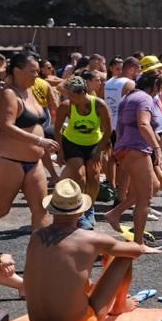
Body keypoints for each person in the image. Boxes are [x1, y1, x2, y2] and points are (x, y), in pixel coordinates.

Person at [25, 179, 159, 321]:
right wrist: (108, 249)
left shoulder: (36, 236)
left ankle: (112, 301)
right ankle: (120, 304)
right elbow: (136, 250)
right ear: (81, 212)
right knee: (125, 254)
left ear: (52, 210)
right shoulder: (91, 239)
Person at [0, 52, 59, 243]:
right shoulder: (8, 93)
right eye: (32, 71)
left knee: (41, 209)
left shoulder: (29, 92)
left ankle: (39, 257)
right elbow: (6, 125)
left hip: (34, 162)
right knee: (0, 209)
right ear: (18, 70)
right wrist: (39, 141)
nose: (37, 75)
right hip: (9, 161)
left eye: (37, 71)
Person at [105, 67, 162, 244]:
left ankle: (114, 214)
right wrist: (157, 149)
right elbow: (143, 124)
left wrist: (118, 150)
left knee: (154, 186)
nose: (161, 92)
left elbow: (120, 126)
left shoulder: (129, 97)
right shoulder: (145, 98)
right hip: (136, 149)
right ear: (155, 85)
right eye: (161, 87)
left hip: (126, 149)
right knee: (145, 198)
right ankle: (139, 243)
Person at [55, 74, 111, 230]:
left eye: (71, 95)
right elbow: (57, 129)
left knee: (93, 177)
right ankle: (79, 213)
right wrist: (60, 151)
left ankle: (89, 208)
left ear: (81, 93)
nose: (69, 98)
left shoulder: (99, 105)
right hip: (72, 142)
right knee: (80, 176)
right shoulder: (66, 106)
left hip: (94, 142)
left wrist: (99, 150)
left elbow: (107, 130)